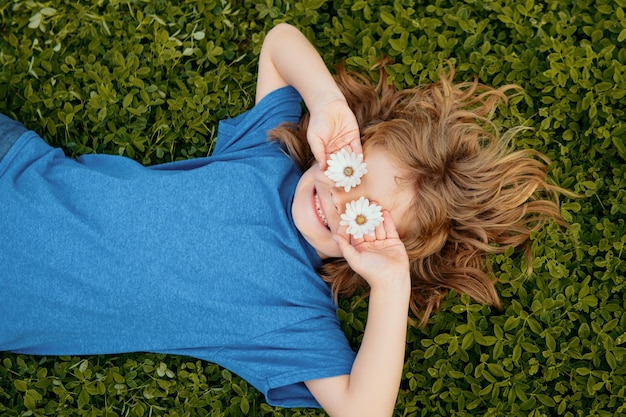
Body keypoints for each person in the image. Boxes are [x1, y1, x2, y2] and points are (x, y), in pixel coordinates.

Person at [0, 23, 563, 417]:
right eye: (351, 170)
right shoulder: (268, 156)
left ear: (381, 245)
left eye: (367, 215)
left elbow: (363, 412)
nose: (340, 199)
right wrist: (324, 102)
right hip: (14, 166)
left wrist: (391, 283)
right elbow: (279, 42)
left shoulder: (291, 316)